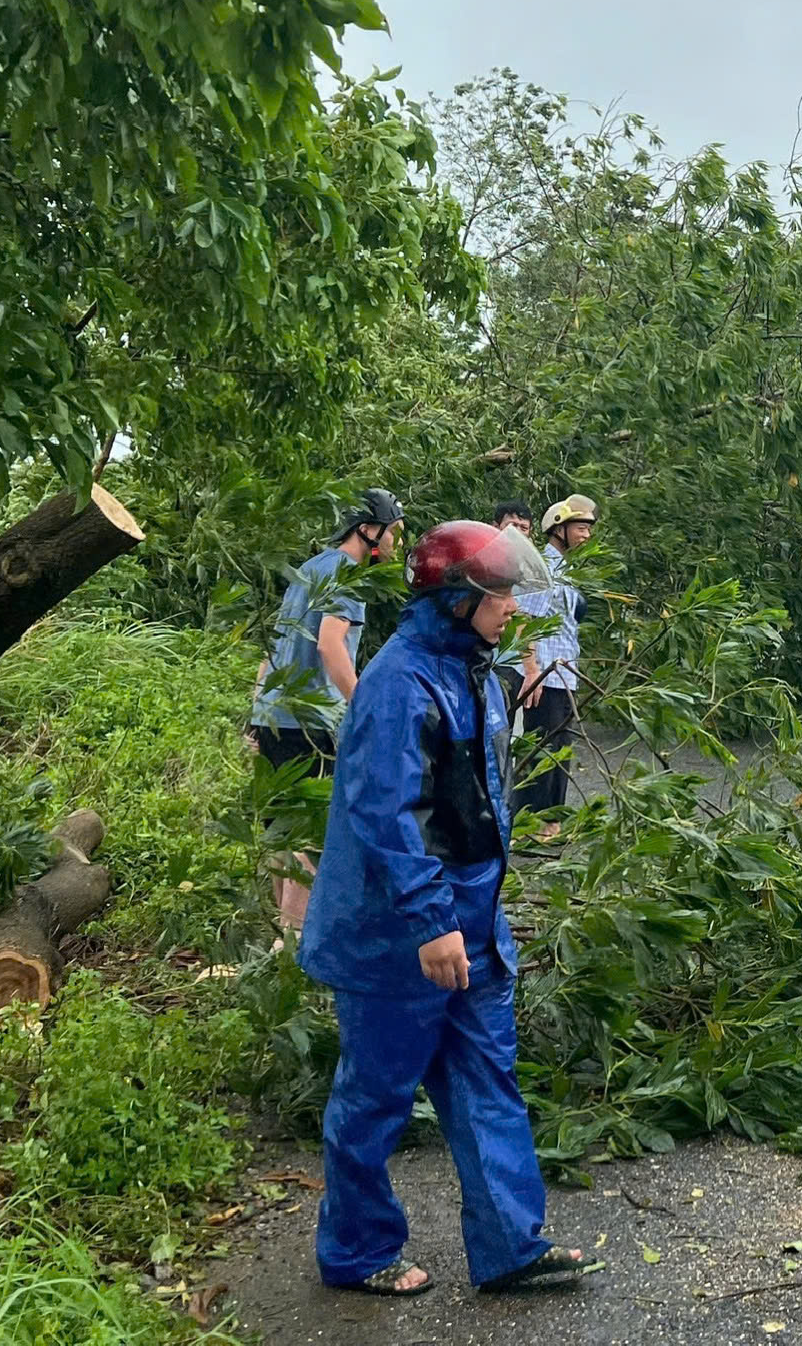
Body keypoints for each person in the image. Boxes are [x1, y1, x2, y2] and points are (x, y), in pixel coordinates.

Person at [299, 519, 587, 1299]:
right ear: (458, 600)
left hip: (471, 928)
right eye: (499, 598)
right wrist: (431, 922)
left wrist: (473, 921)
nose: (510, 611)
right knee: (376, 1098)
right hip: (395, 938)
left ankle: (510, 1246)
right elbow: (384, 813)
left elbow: (478, 808)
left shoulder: (476, 675)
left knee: (488, 1079)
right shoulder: (397, 685)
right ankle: (357, 1253)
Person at [251, 489, 404, 932]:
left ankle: (282, 930)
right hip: (312, 718)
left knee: (280, 825)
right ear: (367, 530)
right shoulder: (347, 577)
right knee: (310, 831)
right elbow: (329, 645)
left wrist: (256, 708)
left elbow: (275, 645)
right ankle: (296, 938)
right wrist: (362, 705)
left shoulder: (310, 569)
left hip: (274, 714)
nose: (395, 541)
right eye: (392, 531)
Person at [510, 495, 594, 829]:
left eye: (588, 529)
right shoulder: (543, 569)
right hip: (545, 675)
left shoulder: (569, 572)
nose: (586, 535)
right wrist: (532, 670)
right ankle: (532, 825)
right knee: (541, 750)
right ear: (558, 528)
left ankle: (551, 825)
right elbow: (524, 617)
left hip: (564, 674)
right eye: (580, 528)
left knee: (559, 749)